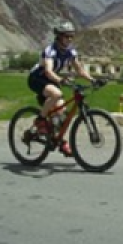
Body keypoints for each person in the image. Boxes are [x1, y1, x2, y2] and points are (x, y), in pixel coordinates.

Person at [27, 21, 95, 156]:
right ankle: (40, 121)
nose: (69, 39)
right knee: (57, 94)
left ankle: (59, 141)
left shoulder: (70, 52)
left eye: (71, 36)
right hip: (37, 79)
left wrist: (93, 80)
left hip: (52, 80)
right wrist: (61, 80)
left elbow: (80, 70)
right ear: (58, 36)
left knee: (61, 114)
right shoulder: (50, 51)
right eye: (66, 36)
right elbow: (48, 71)